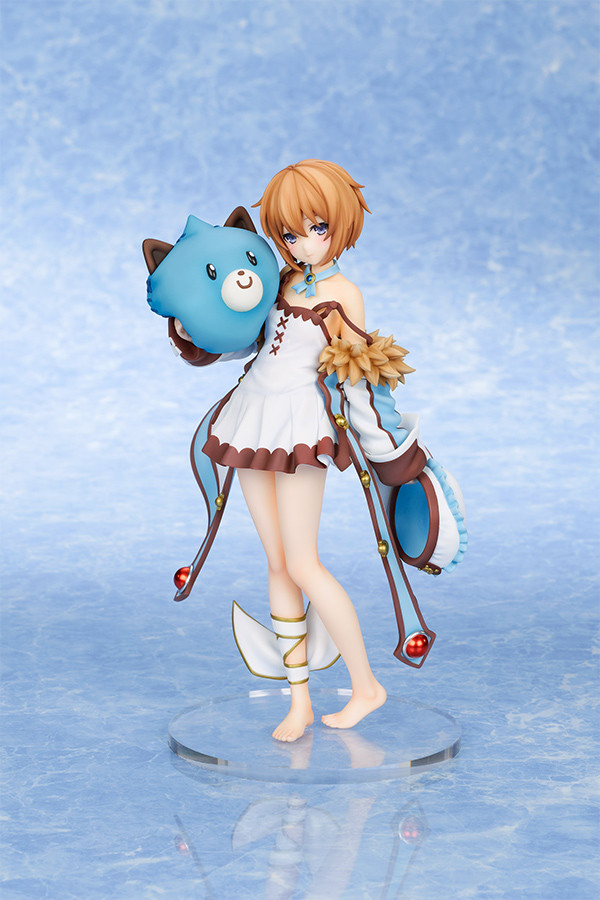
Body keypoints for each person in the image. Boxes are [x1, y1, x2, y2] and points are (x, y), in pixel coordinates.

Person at [202, 160, 393, 742]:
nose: (303, 243)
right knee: (278, 563)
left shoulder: (344, 295)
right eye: (289, 233)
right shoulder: (281, 279)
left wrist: (382, 443)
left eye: (317, 227)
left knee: (305, 562)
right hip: (251, 418)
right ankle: (299, 699)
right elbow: (248, 340)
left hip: (300, 429)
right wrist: (196, 333)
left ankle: (366, 686)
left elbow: (357, 375)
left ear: (341, 223)